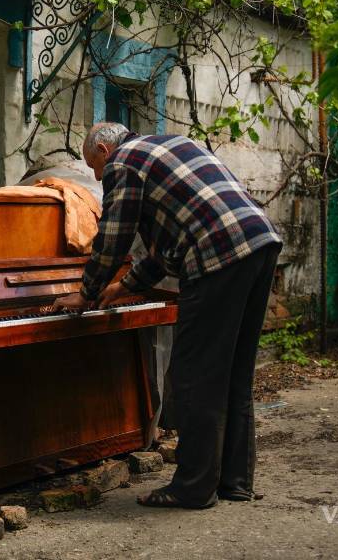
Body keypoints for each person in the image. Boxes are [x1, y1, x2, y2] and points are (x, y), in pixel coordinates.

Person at [52, 122, 283, 509]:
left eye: (95, 168)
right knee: (234, 371)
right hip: (260, 243)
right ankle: (234, 481)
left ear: (105, 152)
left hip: (219, 256)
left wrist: (86, 293)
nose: (99, 177)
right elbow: (165, 250)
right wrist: (123, 287)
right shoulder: (172, 146)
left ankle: (193, 487)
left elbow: (113, 236)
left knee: (193, 375)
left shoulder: (123, 163)